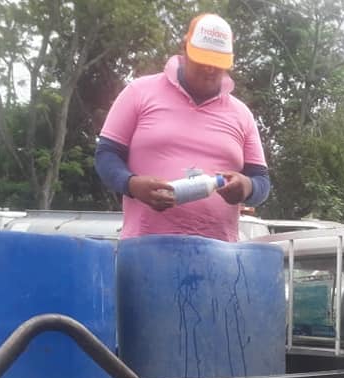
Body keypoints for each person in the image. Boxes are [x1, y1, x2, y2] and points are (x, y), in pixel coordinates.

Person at [94, 13, 270, 242]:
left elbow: (261, 181)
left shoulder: (242, 114)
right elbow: (106, 155)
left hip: (218, 253)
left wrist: (247, 187)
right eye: (202, 60)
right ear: (185, 47)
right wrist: (132, 184)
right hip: (144, 248)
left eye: (217, 63)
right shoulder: (138, 92)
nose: (209, 69)